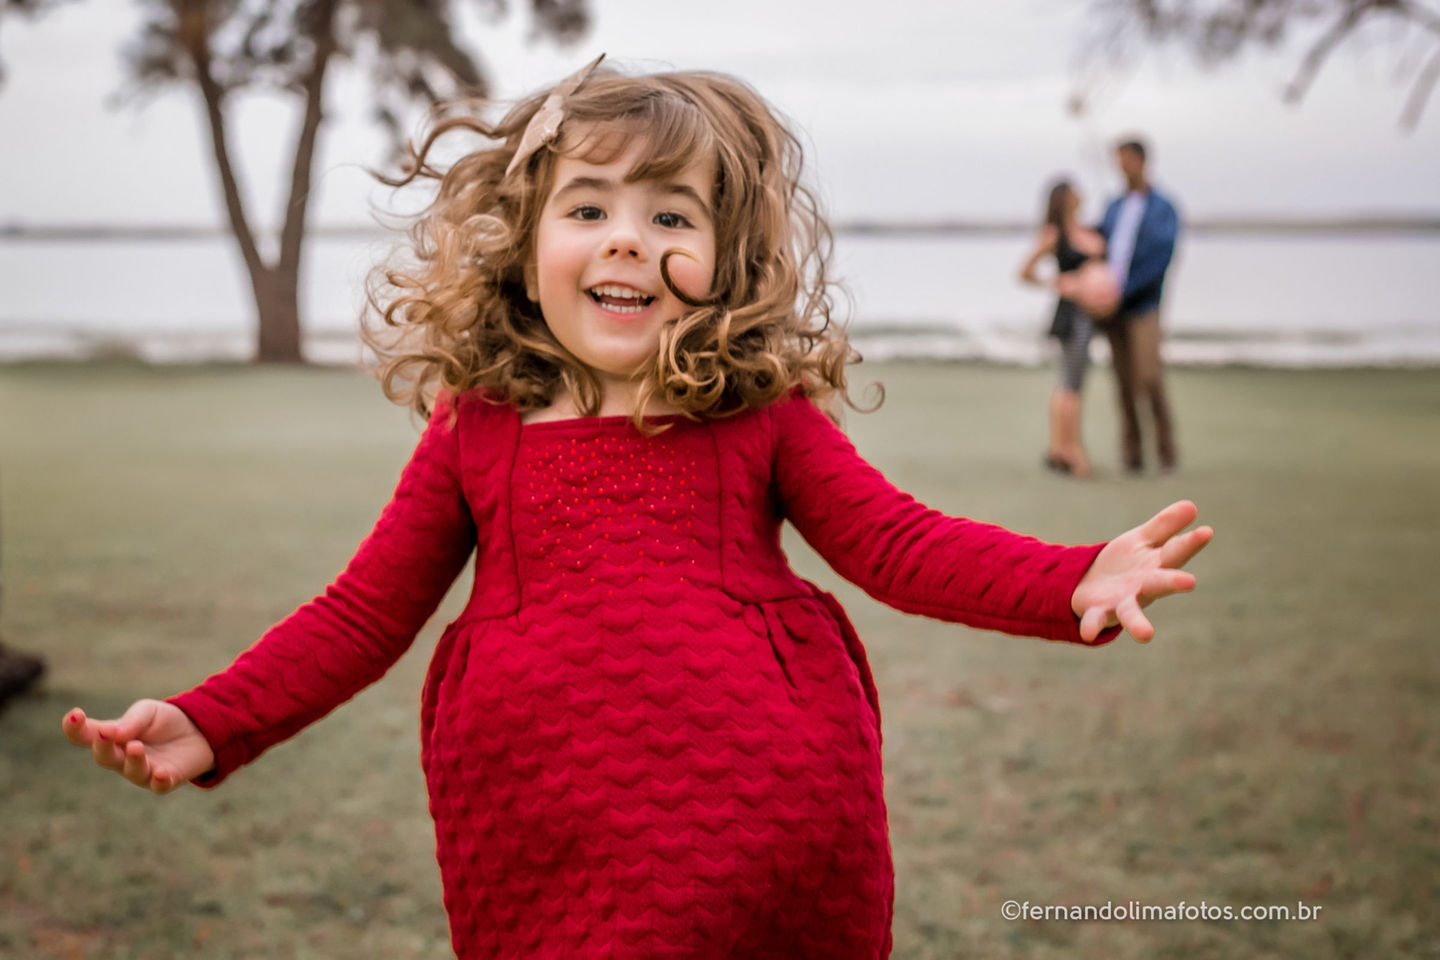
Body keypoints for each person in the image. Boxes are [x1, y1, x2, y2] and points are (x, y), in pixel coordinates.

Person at [60, 60, 1214, 959]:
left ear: (725, 259)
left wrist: (1068, 581)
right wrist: (216, 719)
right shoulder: (479, 425)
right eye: (591, 209)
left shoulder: (758, 412)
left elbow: (896, 544)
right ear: (525, 244)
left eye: (673, 217)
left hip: (766, 813)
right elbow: (365, 613)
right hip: (538, 825)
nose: (629, 237)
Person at [1098, 138, 1182, 474]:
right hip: (1111, 308)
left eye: (1127, 159)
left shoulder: (1163, 207)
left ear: (1143, 161)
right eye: (1118, 160)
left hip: (1143, 305)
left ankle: (1166, 455)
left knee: (1149, 378)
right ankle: (1132, 456)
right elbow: (1102, 246)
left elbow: (1161, 257)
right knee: (1121, 381)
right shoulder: (1113, 206)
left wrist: (1124, 290)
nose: (1122, 166)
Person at [1018, 179, 1111, 477]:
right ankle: (1071, 450)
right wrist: (1058, 283)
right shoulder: (1054, 235)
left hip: (1090, 313)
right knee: (1070, 383)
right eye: (1072, 193)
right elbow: (1024, 272)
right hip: (1071, 315)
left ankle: (1061, 448)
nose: (1078, 196)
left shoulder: (1089, 231)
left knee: (1073, 381)